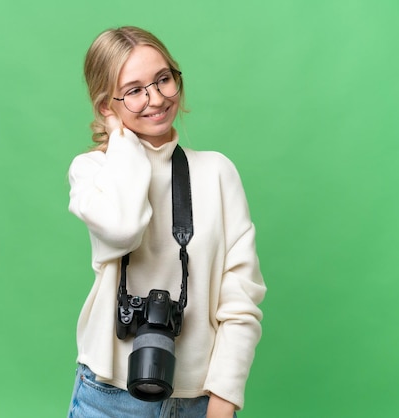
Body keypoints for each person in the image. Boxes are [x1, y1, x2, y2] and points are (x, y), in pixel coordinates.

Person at [67, 26, 266, 418]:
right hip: (109, 399)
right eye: (135, 90)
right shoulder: (93, 172)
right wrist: (121, 141)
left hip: (200, 401)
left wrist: (223, 400)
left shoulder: (217, 172)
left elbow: (241, 297)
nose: (156, 98)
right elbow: (124, 230)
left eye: (163, 80)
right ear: (107, 105)